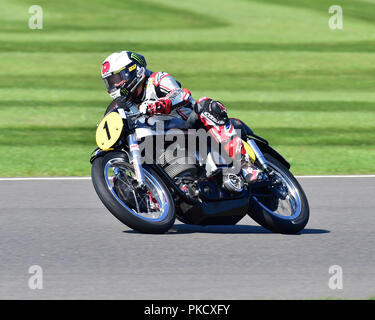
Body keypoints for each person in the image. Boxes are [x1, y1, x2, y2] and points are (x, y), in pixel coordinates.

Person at [100, 50, 260, 182]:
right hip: (163, 139)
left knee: (205, 104)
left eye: (117, 79)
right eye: (110, 82)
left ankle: (244, 164)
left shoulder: (156, 79)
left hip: (191, 127)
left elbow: (181, 95)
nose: (114, 85)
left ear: (134, 70)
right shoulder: (122, 104)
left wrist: (159, 104)